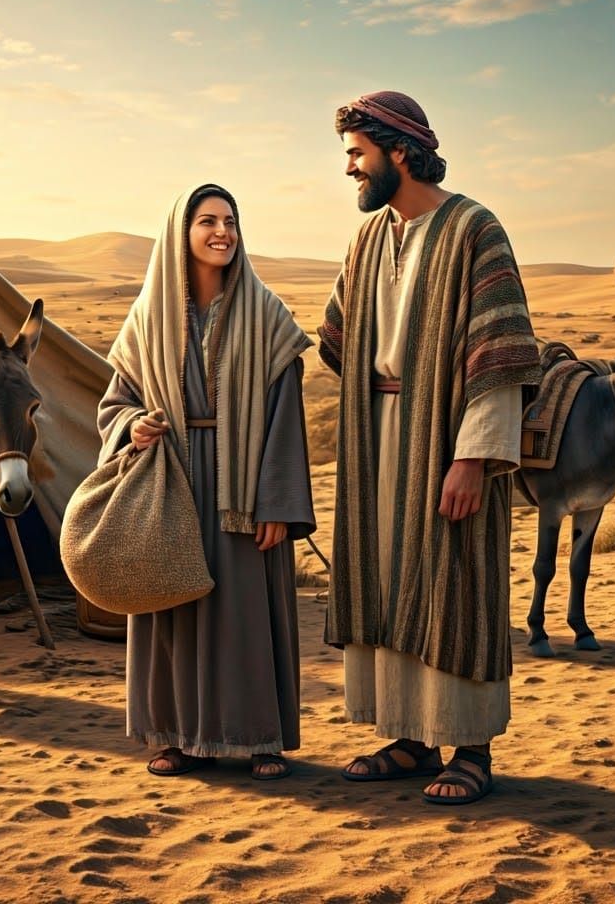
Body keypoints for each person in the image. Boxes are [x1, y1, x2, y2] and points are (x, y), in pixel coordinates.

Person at [318, 91, 541, 804]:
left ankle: (471, 746)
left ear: (400, 152)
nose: (350, 167)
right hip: (377, 440)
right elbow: (336, 339)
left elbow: (500, 352)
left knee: (455, 580)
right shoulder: (366, 238)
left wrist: (473, 455)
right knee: (387, 578)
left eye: (358, 153)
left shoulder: (476, 228)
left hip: (448, 437)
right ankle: (410, 736)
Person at [98, 183, 315, 780]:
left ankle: (260, 737)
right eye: (207, 222)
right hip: (172, 483)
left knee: (249, 614)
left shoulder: (266, 312)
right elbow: (115, 403)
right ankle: (172, 736)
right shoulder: (148, 318)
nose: (222, 232)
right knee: (172, 614)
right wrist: (132, 426)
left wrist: (278, 501)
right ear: (180, 234)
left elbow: (284, 413)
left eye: (231, 221)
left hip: (244, 489)